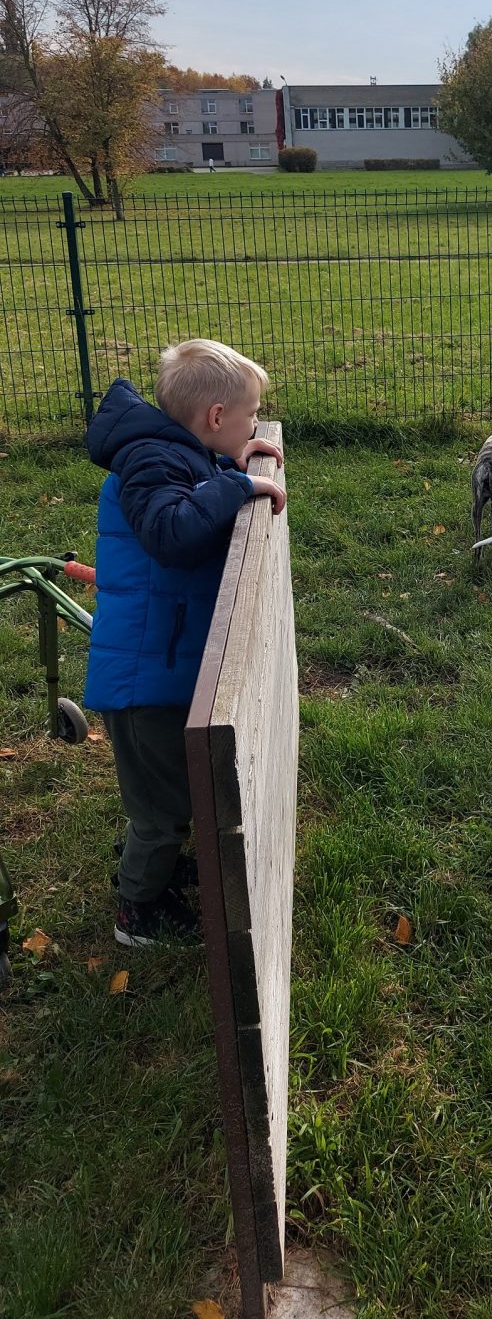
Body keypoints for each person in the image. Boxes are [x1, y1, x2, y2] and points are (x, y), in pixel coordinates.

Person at [84, 339, 286, 947]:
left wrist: (231, 466)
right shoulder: (149, 461)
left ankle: (160, 862)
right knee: (162, 807)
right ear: (216, 419)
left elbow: (192, 486)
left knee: (169, 792)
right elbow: (173, 531)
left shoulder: (175, 452)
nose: (254, 424)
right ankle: (137, 911)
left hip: (161, 663)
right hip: (145, 678)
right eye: (249, 416)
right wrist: (239, 487)